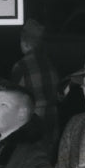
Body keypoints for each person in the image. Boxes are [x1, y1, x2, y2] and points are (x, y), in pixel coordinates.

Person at [10, 18, 60, 157]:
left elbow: (14, 100)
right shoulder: (49, 62)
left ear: (25, 41)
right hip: (52, 124)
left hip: (33, 126)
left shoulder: (21, 66)